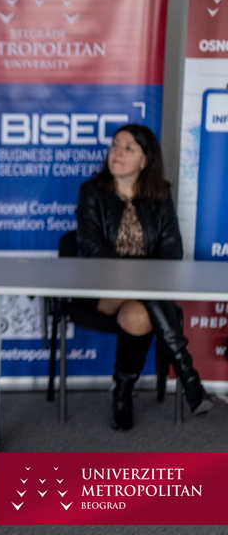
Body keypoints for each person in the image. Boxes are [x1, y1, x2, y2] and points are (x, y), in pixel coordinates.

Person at [75, 123, 212, 430]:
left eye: (128, 148)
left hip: (144, 295)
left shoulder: (160, 195)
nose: (117, 152)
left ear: (145, 160)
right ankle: (188, 375)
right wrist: (140, 274)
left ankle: (123, 390)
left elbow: (172, 249)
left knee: (138, 317)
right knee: (148, 294)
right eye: (115, 145)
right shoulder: (92, 192)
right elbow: (91, 248)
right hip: (101, 288)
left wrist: (144, 279)